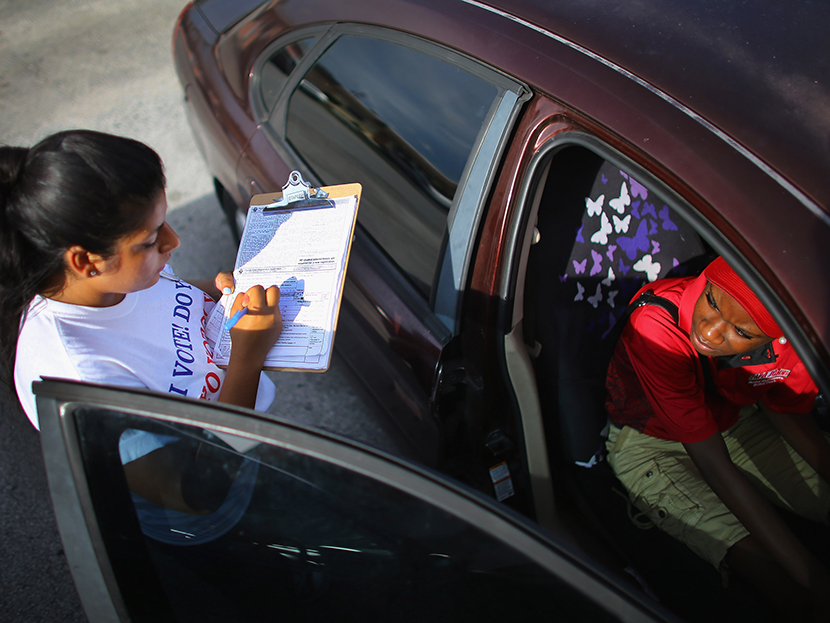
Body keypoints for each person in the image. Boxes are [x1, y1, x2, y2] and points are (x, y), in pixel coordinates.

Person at [0, 129, 282, 426]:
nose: (173, 241)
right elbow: (199, 466)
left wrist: (216, 289)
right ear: (86, 261)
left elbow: (169, 297)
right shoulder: (83, 378)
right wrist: (247, 356)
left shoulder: (117, 277)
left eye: (163, 221)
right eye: (149, 240)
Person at [605, 255, 830, 619]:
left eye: (741, 332)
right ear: (708, 282)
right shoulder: (656, 324)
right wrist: (814, 580)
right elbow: (713, 463)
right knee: (763, 565)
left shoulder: (793, 337)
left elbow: (783, 406)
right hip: (652, 446)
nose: (709, 332)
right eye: (711, 302)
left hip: (736, 420)